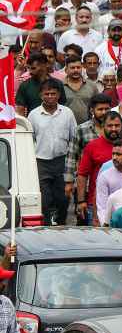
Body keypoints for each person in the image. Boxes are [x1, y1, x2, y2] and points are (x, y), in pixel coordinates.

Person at [29, 80, 77, 225]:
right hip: (41, 162)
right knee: (45, 200)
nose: (50, 97)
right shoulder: (33, 115)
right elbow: (30, 140)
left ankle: (61, 224)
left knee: (63, 198)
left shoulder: (67, 113)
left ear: (58, 95)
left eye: (53, 94)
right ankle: (46, 226)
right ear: (41, 95)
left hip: (62, 161)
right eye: (46, 94)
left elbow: (73, 137)